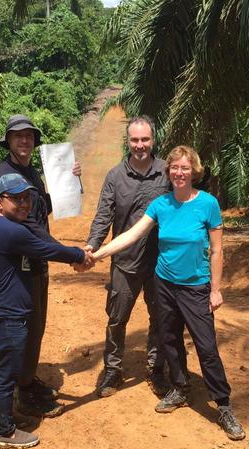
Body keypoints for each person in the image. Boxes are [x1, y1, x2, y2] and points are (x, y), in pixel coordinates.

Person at [91, 146, 246, 441]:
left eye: (185, 168)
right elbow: (132, 235)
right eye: (175, 168)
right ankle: (179, 388)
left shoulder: (208, 204)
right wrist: (97, 254)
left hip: (196, 286)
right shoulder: (161, 204)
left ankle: (223, 405)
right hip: (164, 284)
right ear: (169, 171)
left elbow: (217, 250)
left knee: (206, 347)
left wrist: (215, 289)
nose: (179, 173)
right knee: (170, 340)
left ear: (194, 171)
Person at [0, 173, 91, 449]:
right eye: (16, 198)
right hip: (7, 318)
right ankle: (4, 432)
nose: (24, 204)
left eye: (27, 197)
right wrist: (80, 255)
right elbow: (45, 249)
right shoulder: (10, 231)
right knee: (5, 374)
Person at [0, 114, 81, 417]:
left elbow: (43, 208)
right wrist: (71, 254)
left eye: (29, 136)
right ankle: (21, 393)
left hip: (37, 263)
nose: (25, 140)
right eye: (19, 136)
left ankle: (27, 381)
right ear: (9, 140)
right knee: (25, 329)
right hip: (22, 267)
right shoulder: (5, 175)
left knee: (36, 327)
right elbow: (29, 227)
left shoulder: (30, 172)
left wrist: (70, 180)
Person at [84, 115, 171, 398]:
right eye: (134, 140)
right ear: (128, 141)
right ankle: (113, 370)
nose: (140, 145)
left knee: (160, 318)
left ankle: (156, 369)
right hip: (125, 263)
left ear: (153, 140)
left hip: (161, 263)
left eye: (145, 139)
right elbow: (103, 216)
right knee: (116, 318)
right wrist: (91, 247)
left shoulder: (167, 173)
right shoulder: (115, 176)